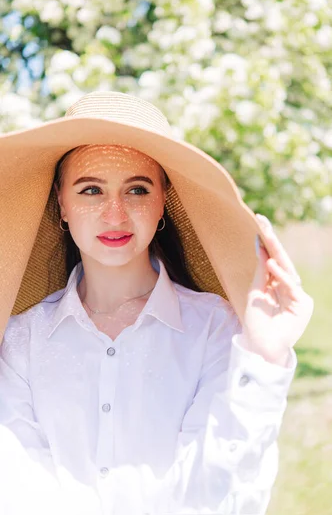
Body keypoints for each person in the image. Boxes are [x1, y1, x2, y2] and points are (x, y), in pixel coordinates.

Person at [0, 91, 313, 515]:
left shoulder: (216, 328)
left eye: (137, 190)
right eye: (91, 190)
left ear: (163, 198)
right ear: (61, 203)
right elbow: (18, 487)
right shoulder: (20, 339)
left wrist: (265, 356)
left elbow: (224, 494)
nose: (115, 214)